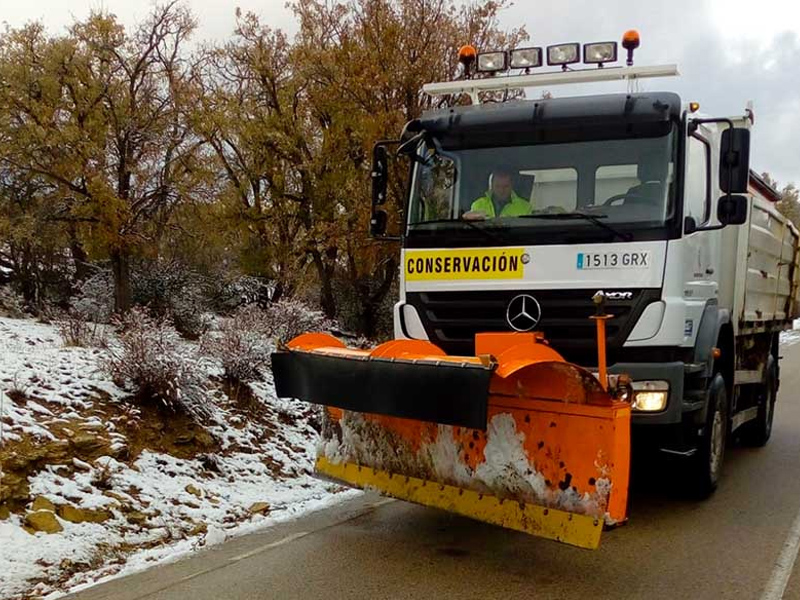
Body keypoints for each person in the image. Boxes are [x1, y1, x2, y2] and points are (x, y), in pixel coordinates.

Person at [465, 169, 532, 219]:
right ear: (492, 186)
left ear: (512, 186)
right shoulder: (477, 205)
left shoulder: (526, 208)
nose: (501, 190)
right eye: (497, 186)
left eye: (505, 186)